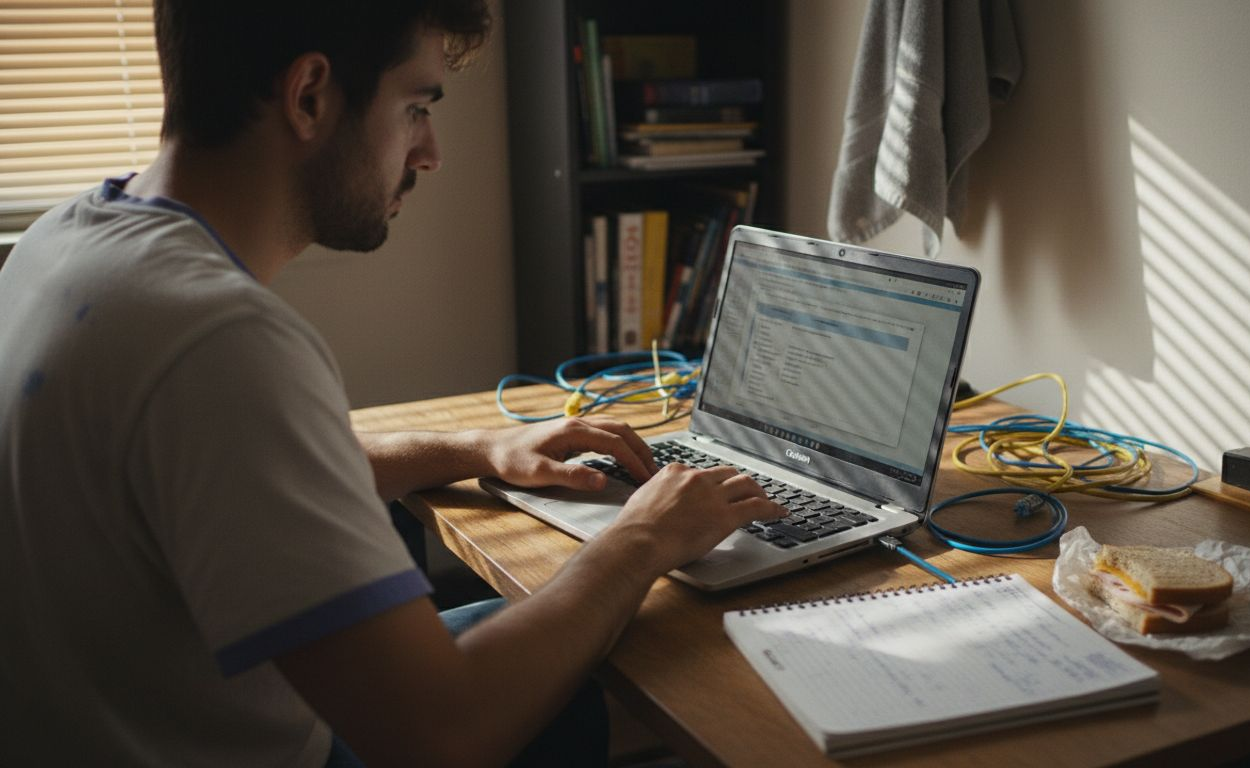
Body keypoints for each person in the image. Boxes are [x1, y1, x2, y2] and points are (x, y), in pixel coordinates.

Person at [0, 2, 780, 766]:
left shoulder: (66, 241)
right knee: (582, 668)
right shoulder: (219, 340)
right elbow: (442, 736)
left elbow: (237, 471)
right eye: (415, 108)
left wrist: (480, 446)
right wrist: (642, 539)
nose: (431, 152)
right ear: (310, 96)